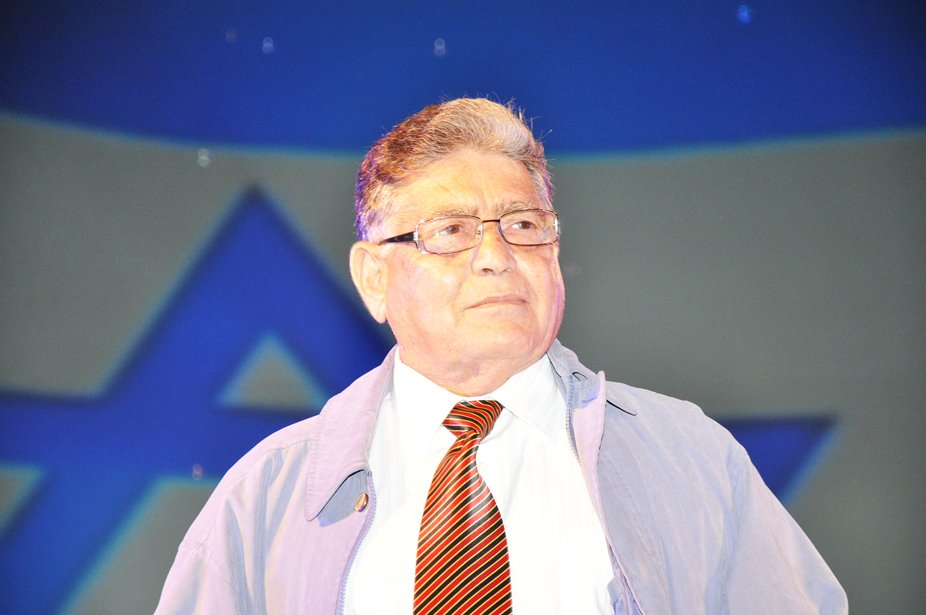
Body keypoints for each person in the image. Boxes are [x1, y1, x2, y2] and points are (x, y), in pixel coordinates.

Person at [155, 98, 847, 614]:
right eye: (451, 231)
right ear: (373, 277)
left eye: (522, 224)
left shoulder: (690, 459)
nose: (495, 255)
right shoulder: (267, 498)